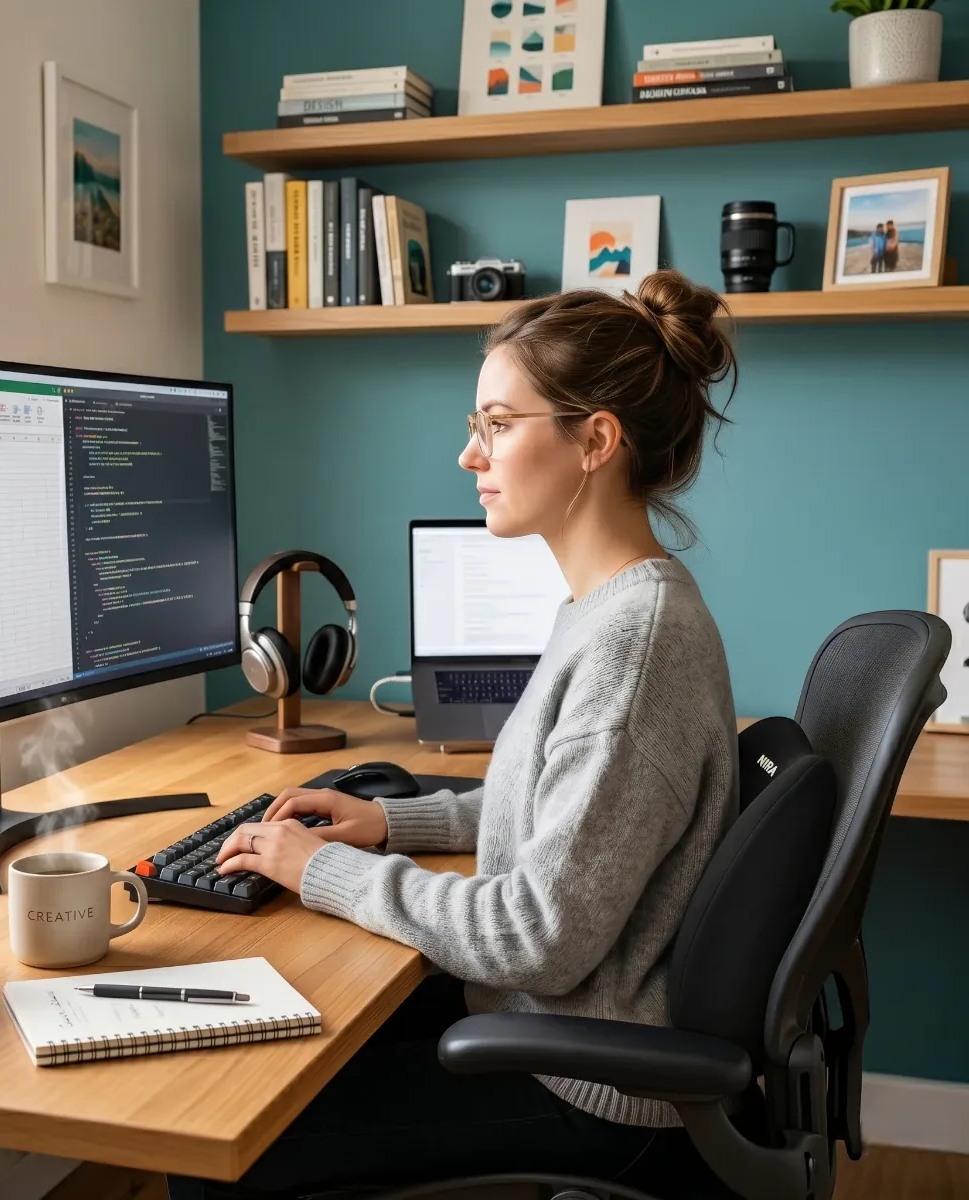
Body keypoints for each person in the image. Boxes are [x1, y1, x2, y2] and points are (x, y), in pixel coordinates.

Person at [168, 269, 741, 1199]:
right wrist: (397, 826)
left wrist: (319, 872)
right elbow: (565, 817)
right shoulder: (608, 608)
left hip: (590, 1088)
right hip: (556, 1032)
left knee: (211, 1142)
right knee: (262, 1046)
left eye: (499, 425)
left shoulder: (634, 646)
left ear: (596, 439)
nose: (470, 456)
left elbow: (536, 936)